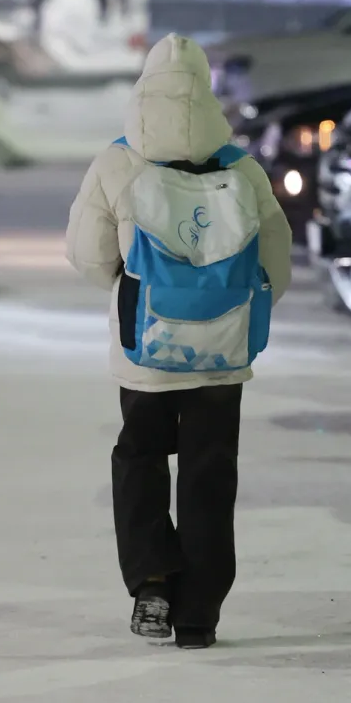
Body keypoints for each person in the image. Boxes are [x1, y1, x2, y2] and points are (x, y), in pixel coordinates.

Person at [65, 34, 293, 650]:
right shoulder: (241, 168)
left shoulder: (117, 163)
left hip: (146, 350)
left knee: (139, 457)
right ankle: (199, 615)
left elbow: (86, 257)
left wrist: (132, 283)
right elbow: (277, 261)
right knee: (208, 473)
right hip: (221, 355)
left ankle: (152, 579)